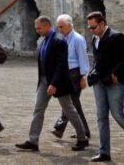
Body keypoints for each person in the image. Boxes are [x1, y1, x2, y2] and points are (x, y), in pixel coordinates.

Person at [16, 16, 89, 152]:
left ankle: (82, 138)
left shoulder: (59, 40)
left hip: (59, 82)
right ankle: (33, 141)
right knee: (38, 109)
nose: (37, 31)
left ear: (47, 25)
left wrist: (54, 84)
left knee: (69, 110)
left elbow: (61, 65)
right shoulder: (45, 41)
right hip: (44, 81)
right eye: (36, 28)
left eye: (39, 28)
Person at [85, 11, 124, 162]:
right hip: (99, 82)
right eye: (89, 28)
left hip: (115, 82)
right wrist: (92, 72)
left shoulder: (116, 36)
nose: (91, 31)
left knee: (117, 113)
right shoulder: (95, 39)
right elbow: (98, 60)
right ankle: (104, 152)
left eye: (93, 27)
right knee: (101, 117)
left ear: (101, 23)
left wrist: (116, 73)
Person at [51, 14, 91, 140]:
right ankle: (84, 131)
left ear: (69, 25)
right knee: (75, 104)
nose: (60, 29)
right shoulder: (62, 38)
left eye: (62, 27)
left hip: (75, 73)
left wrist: (83, 76)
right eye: (58, 27)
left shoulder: (78, 39)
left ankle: (59, 128)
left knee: (70, 102)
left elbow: (83, 58)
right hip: (66, 73)